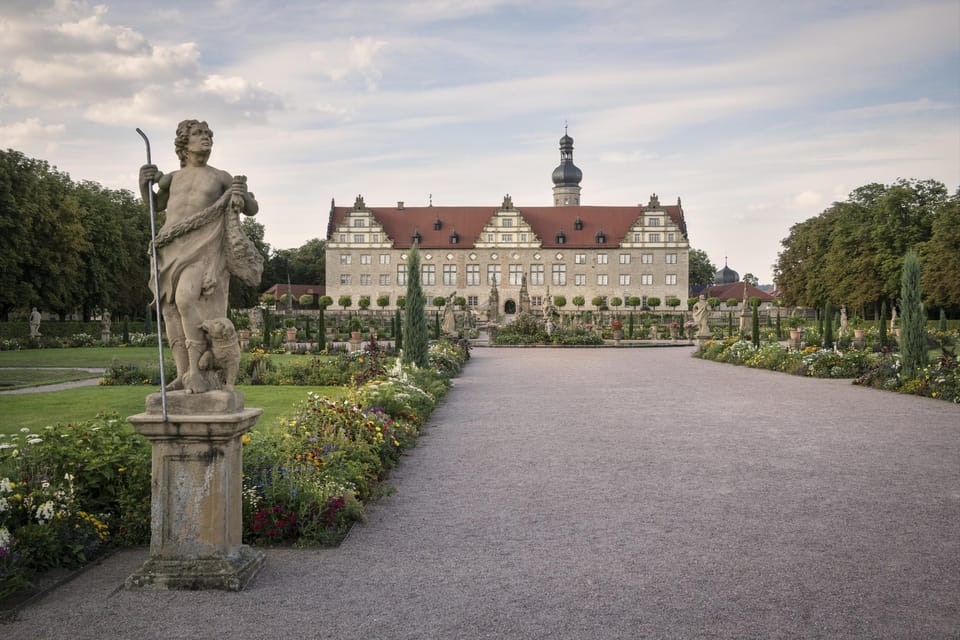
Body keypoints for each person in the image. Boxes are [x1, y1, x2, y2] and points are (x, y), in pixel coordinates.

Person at [139, 119, 261, 393]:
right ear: (184, 143)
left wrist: (243, 195)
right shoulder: (171, 178)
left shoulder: (220, 177)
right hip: (169, 247)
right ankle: (182, 374)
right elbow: (155, 207)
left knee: (185, 299)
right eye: (198, 134)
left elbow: (251, 207)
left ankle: (197, 370)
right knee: (170, 311)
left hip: (202, 248)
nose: (205, 138)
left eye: (207, 134)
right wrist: (143, 184)